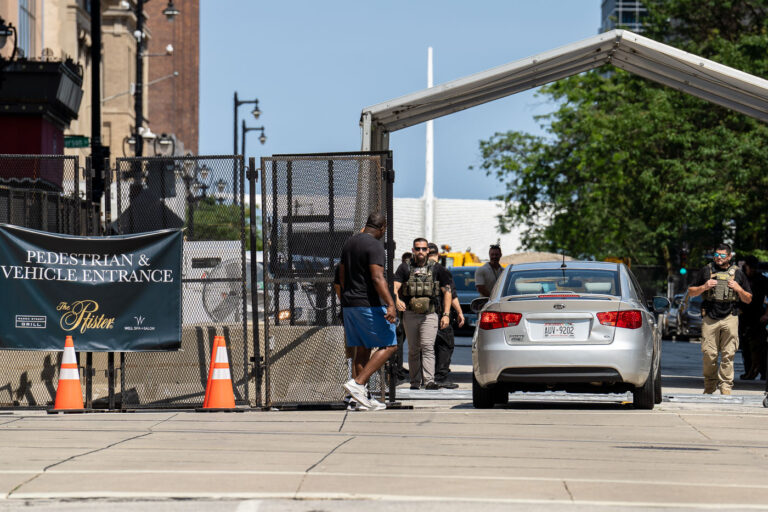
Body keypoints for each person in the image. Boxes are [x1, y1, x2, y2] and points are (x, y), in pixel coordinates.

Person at [339, 212, 398, 411]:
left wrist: (345, 301)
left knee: (362, 349)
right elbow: (377, 278)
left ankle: (358, 400)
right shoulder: (374, 245)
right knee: (390, 345)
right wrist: (391, 304)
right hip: (368, 304)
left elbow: (341, 275)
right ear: (383, 228)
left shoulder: (350, 243)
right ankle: (358, 383)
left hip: (350, 304)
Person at [688, 244, 752, 395]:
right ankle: (710, 386)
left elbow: (748, 299)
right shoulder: (706, 270)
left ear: (729, 257)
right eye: (716, 255)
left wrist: (738, 288)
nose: (718, 258)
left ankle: (725, 387)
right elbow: (691, 292)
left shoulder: (738, 273)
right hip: (710, 316)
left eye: (722, 255)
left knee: (728, 354)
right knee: (709, 354)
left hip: (730, 315)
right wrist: (704, 286)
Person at [393, 238, 452, 390]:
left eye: (424, 249)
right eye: (417, 249)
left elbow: (447, 292)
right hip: (410, 314)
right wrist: (397, 300)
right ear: (413, 250)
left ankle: (429, 381)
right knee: (413, 349)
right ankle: (414, 382)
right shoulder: (404, 267)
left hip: (430, 314)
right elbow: (394, 287)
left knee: (427, 347)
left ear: (428, 251)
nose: (421, 252)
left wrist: (446, 314)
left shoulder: (437, 268)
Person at [428, 243, 465, 389]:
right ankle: (440, 377)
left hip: (420, 314)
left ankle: (424, 377)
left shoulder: (417, 269)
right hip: (439, 313)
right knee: (445, 344)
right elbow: (451, 294)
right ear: (438, 255)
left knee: (425, 347)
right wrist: (459, 312)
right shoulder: (441, 270)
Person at [739, 255, 767, 380]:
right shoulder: (741, 279)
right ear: (746, 267)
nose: (752, 270)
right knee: (745, 347)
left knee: (759, 347)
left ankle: (763, 372)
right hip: (744, 316)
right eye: (751, 268)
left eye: (754, 268)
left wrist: (767, 314)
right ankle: (749, 371)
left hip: (758, 317)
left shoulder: (762, 280)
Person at [394, 252, 412, 383]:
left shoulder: (406, 271)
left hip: (406, 311)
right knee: (399, 340)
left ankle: (398, 367)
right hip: (400, 311)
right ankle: (397, 368)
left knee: (402, 340)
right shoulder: (402, 272)